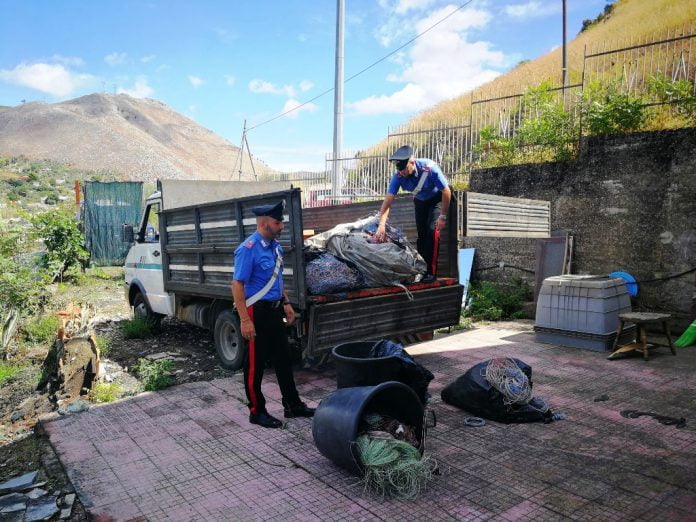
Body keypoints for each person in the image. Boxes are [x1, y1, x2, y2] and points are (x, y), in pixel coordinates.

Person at [232, 200, 315, 428]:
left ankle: (292, 405)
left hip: (274, 310)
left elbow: (276, 280)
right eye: (278, 223)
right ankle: (257, 411)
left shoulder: (275, 247)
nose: (282, 226)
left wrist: (286, 303)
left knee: (283, 359)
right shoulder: (248, 249)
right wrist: (245, 320)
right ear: (264, 223)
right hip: (255, 313)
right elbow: (237, 285)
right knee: (254, 366)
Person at [376, 145, 451, 281]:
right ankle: (422, 269)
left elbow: (446, 191)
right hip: (420, 202)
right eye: (399, 170)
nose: (402, 173)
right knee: (421, 235)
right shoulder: (398, 176)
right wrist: (381, 224)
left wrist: (443, 216)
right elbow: (387, 202)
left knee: (432, 231)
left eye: (404, 169)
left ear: (412, 162)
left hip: (436, 199)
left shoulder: (430, 168)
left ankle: (432, 273)